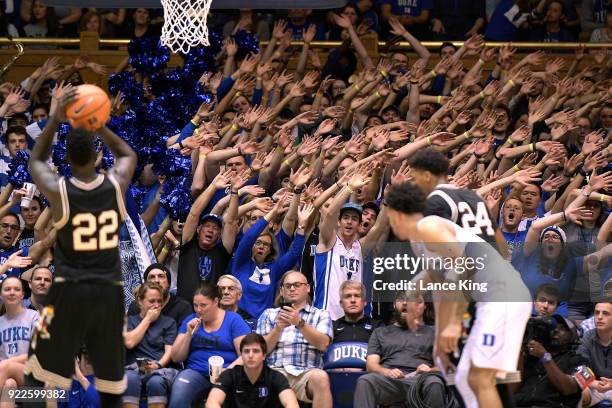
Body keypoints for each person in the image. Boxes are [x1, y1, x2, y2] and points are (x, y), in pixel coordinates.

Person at [24, 82, 137, 407]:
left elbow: (36, 160)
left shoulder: (60, 192)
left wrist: (57, 118)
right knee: (110, 383)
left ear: (68, 160)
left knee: (37, 372)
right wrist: (99, 125)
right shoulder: (115, 184)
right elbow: (128, 154)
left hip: (68, 291)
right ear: (98, 154)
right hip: (108, 292)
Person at [385, 182, 532, 408]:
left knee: (479, 378)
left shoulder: (429, 226)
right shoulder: (417, 241)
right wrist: (439, 338)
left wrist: (454, 323)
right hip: (487, 300)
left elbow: (464, 265)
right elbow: (438, 284)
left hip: (503, 294)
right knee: (463, 377)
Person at [354, 292, 450, 408]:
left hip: (422, 380)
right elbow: (371, 365)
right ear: (395, 305)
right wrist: (388, 372)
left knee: (434, 382)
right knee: (365, 381)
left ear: (423, 306)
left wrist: (430, 370)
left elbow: (445, 366)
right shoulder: (380, 332)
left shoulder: (435, 332)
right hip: (391, 382)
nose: (405, 303)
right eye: (401, 299)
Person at [257, 271, 333, 408]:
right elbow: (260, 351)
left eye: (297, 285)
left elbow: (323, 344)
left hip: (305, 373)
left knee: (321, 378)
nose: (292, 289)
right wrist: (278, 329)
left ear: (308, 288)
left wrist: (300, 323)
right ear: (281, 291)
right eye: (288, 286)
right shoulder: (268, 314)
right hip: (274, 372)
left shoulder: (321, 314)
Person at [168, 283, 250, 407]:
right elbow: (176, 357)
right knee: (180, 390)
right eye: (195, 305)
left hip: (227, 373)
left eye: (203, 305)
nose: (198, 310)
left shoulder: (233, 320)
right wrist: (188, 334)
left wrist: (227, 371)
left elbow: (246, 354)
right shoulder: (190, 320)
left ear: (216, 301)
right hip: (196, 372)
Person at [205, 333, 300, 408]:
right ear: (241, 355)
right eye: (246, 351)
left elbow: (292, 404)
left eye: (255, 351)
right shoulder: (229, 375)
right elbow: (212, 402)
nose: (250, 355)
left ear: (263, 355)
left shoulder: (276, 377)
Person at [514, 315, 587, 407]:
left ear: (574, 334)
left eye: (562, 328)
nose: (555, 330)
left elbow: (568, 389)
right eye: (552, 328)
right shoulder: (531, 357)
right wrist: (521, 351)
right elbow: (512, 389)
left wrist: (545, 357)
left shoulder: (581, 362)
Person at [123, 282, 177, 408]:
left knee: (156, 382)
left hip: (158, 368)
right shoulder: (130, 321)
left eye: (159, 301)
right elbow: (129, 343)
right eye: (151, 301)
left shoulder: (169, 322)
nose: (157, 305)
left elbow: (169, 351)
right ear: (140, 301)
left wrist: (158, 365)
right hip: (133, 368)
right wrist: (147, 319)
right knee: (130, 379)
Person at [0, 277, 39, 396]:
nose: (12, 292)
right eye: (7, 289)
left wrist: (8, 363)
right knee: (9, 384)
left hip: (33, 376)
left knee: (6, 366)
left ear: (22, 295)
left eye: (17, 289)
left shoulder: (35, 317)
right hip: (5, 376)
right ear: (1, 295)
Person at [127, 263, 192, 329]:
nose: (156, 280)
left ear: (169, 284)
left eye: (161, 276)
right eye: (152, 277)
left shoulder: (182, 307)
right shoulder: (136, 306)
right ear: (146, 284)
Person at [577, 301, 612, 406]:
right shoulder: (587, 337)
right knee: (579, 393)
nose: (599, 317)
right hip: (594, 386)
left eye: (605, 313)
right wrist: (593, 383)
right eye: (597, 313)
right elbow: (579, 366)